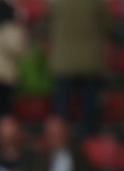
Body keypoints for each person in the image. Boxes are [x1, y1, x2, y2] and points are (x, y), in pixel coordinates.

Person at [49, 0, 110, 137]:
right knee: (90, 112)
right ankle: (89, 144)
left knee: (62, 112)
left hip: (64, 61)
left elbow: (47, 21)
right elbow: (108, 25)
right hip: (90, 61)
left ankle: (62, 145)